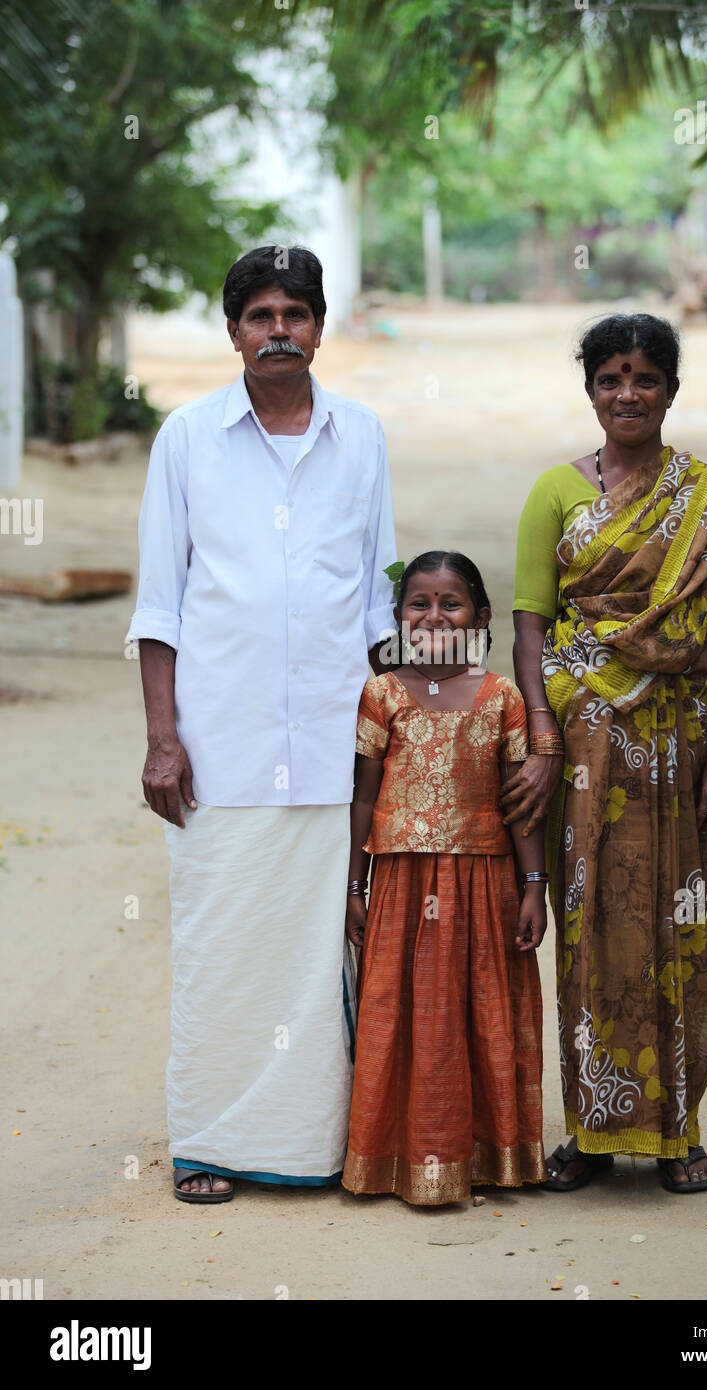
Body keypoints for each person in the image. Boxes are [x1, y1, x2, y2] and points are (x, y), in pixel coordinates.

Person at [126, 244, 397, 1202]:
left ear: (320, 325)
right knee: (220, 947)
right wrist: (164, 739)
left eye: (296, 313)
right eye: (260, 315)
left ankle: (317, 1148)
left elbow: (378, 607)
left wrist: (402, 735)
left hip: (331, 747)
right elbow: (160, 605)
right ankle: (209, 1143)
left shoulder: (361, 436)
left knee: (320, 949)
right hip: (220, 750)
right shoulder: (188, 438)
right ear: (234, 330)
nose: (279, 330)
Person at [505, 313, 707, 1194]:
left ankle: (679, 1130)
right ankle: (589, 1131)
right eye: (611, 378)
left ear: (671, 391)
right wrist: (540, 731)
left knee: (679, 925)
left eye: (646, 378)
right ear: (590, 390)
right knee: (588, 930)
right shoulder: (553, 494)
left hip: (680, 751)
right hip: (584, 750)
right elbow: (530, 631)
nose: (628, 394)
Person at [341, 552, 547, 1205]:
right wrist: (353, 886)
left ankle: (490, 1155)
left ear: (481, 616)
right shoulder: (382, 695)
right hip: (401, 885)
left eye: (450, 602)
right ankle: (400, 1157)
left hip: (486, 883)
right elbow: (362, 800)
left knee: (482, 1013)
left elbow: (521, 805)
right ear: (399, 615)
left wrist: (534, 885)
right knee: (401, 1018)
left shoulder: (502, 698)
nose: (434, 615)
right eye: (418, 603)